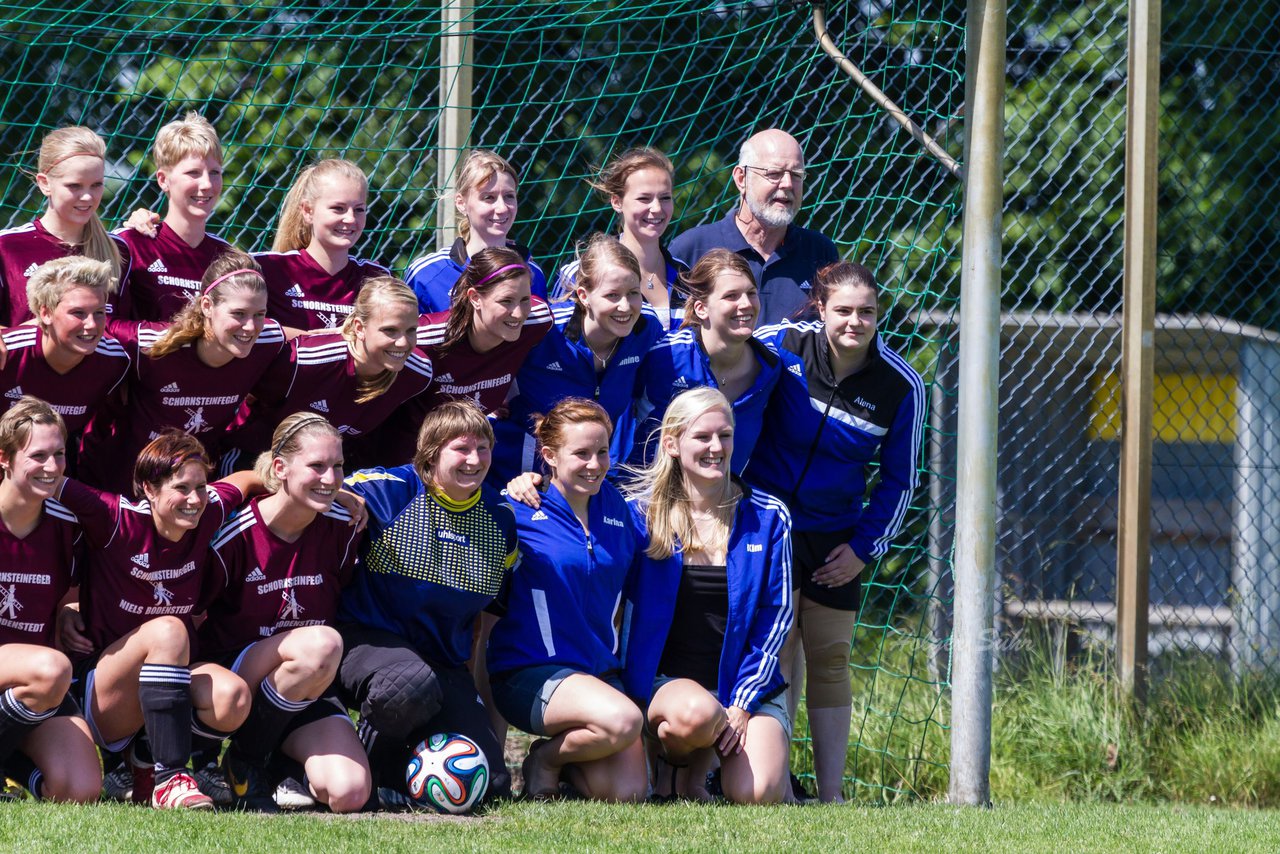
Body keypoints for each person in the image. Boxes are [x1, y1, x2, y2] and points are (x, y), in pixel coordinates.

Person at [747, 260, 925, 802]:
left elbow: (900, 481)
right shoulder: (782, 344)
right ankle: (767, 780)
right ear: (820, 308)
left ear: (879, 315)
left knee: (829, 657)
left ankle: (831, 796)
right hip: (766, 525)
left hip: (835, 540)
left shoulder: (901, 385)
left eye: (866, 311)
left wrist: (864, 549)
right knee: (769, 655)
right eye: (843, 310)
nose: (855, 321)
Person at [56, 431, 265, 809]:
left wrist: (334, 492)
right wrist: (62, 610)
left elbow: (246, 480)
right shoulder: (115, 517)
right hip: (102, 688)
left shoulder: (208, 511)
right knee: (169, 629)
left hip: (165, 679)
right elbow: (49, 481)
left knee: (232, 697)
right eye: (181, 487)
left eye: (201, 486)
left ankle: (146, 755)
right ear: (149, 489)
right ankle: (170, 777)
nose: (195, 499)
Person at [337, 400, 517, 806]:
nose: (475, 459)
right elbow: (307, 486)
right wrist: (341, 496)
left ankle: (407, 771)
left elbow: (482, 623)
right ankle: (368, 770)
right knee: (407, 686)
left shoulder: (500, 519)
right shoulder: (386, 489)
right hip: (365, 642)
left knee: (491, 783)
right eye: (462, 448)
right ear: (432, 451)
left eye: (484, 448)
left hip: (439, 661)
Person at [620, 387, 793, 804]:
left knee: (758, 792)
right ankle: (672, 759)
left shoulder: (768, 517)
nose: (717, 447)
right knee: (696, 716)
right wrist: (528, 485)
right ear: (672, 444)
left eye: (726, 436)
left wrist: (744, 702)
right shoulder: (638, 514)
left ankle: (714, 767)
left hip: (744, 690)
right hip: (671, 688)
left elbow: (777, 618)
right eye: (703, 437)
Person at [200, 414, 370, 813]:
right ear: (280, 468)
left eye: (338, 466)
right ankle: (245, 760)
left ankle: (269, 761)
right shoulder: (233, 533)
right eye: (316, 465)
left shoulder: (343, 528)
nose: (330, 478)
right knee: (321, 643)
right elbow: (193, 615)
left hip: (305, 680)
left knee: (349, 793)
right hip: (235, 675)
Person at [488, 399, 650, 802]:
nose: (594, 464)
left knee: (627, 792)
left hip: (599, 677)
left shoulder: (619, 509)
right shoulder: (518, 510)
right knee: (624, 719)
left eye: (602, 452)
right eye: (580, 453)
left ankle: (557, 758)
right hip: (530, 674)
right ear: (549, 456)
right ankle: (545, 760)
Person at [78, 249, 286, 492]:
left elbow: (298, 337)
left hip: (188, 490)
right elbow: (99, 328)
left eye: (259, 314)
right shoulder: (153, 344)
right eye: (238, 314)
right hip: (117, 482)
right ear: (207, 306)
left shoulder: (268, 340)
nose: (250, 327)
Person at [489, 234, 663, 485]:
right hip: (520, 473)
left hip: (594, 474)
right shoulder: (543, 329)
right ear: (583, 295)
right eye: (612, 295)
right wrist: (493, 392)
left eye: (633, 293)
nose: (625, 306)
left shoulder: (645, 330)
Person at [361, 246, 551, 467]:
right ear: (475, 297)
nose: (518, 313)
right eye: (506, 301)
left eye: (524, 299)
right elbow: (370, 339)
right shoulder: (426, 338)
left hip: (469, 460)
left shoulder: (536, 323)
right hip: (405, 460)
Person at [223, 276, 431, 474]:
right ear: (359, 328)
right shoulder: (307, 362)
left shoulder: (416, 373)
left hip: (326, 471)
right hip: (252, 459)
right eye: (390, 330)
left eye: (411, 330)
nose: (403, 343)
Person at [0, 398, 101, 803]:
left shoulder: (66, 525)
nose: (52, 467)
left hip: (32, 683)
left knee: (79, 790)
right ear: (4, 459)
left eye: (59, 454)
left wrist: (66, 613)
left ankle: (12, 768)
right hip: (39, 670)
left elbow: (68, 596)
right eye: (37, 455)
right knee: (52, 668)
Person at [632, 249, 797, 474]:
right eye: (731, 296)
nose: (746, 304)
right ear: (701, 308)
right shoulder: (663, 356)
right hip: (648, 498)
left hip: (721, 502)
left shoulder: (770, 367)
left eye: (751, 293)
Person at [669, 129, 837, 325]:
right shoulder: (691, 249)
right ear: (741, 179)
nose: (787, 184)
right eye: (774, 174)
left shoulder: (820, 252)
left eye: (796, 175)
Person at [0, 258, 130, 471]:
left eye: (99, 313)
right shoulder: (8, 353)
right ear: (46, 313)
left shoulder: (115, 362)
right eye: (78, 313)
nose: (91, 325)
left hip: (49, 473)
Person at [0, 126, 129, 325]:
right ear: (44, 183)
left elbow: (125, 329)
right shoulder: (8, 247)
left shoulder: (120, 250)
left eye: (96, 185)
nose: (87, 197)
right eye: (74, 186)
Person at [113, 113, 232, 322]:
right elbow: (108, 327)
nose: (207, 184)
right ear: (163, 179)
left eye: (215, 172)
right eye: (193, 173)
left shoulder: (228, 257)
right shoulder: (130, 245)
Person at [553, 148, 687, 330]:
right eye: (644, 198)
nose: (656, 208)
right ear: (617, 202)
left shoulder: (687, 276)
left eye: (665, 198)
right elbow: (558, 344)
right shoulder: (579, 274)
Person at [404, 150, 547, 313]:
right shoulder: (427, 274)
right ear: (461, 203)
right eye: (489, 197)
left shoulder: (532, 273)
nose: (502, 208)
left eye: (509, 196)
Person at [256, 159, 390, 330]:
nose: (350, 219)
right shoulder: (267, 269)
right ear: (307, 211)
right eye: (338, 208)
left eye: (359, 210)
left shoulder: (376, 278)